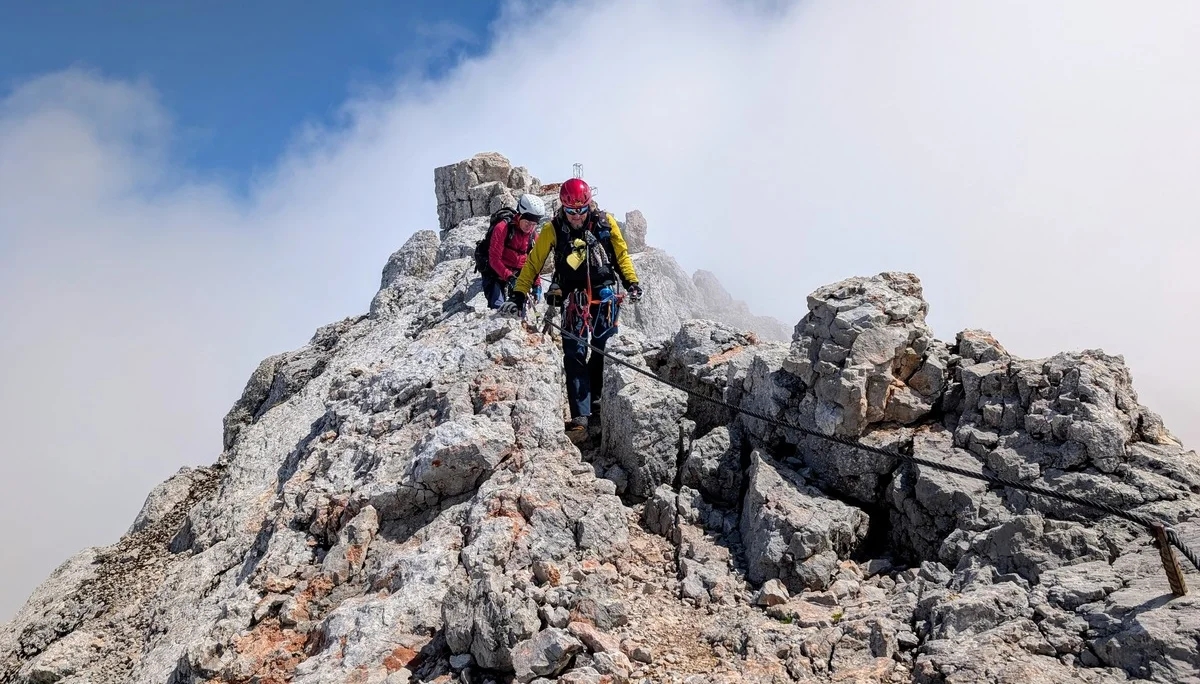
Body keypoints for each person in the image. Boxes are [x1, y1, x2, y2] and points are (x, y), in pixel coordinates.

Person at [500, 178, 643, 437]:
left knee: (602, 348)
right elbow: (533, 264)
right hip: (572, 298)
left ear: (589, 205)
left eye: (581, 210)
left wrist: (631, 282)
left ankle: (597, 403)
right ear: (563, 208)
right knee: (575, 353)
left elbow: (621, 255)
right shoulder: (553, 229)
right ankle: (580, 417)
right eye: (571, 211)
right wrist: (519, 294)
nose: (576, 216)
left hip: (603, 293)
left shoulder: (604, 222)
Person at [481, 193, 546, 309]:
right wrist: (510, 277)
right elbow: (494, 260)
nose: (530, 227)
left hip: (517, 274)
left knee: (518, 308)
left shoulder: (533, 236)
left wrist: (537, 285)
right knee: (498, 307)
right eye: (527, 222)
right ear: (519, 215)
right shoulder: (502, 228)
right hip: (496, 272)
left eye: (533, 224)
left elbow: (533, 264)